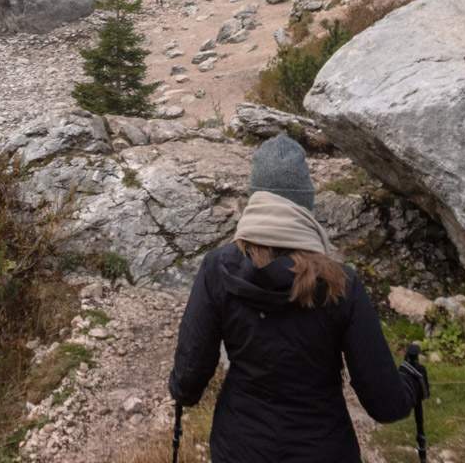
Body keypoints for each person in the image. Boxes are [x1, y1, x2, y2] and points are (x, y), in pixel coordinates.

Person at [169, 135, 426, 463]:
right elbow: (385, 404)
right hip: (324, 448)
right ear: (306, 205)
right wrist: (413, 382)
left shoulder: (217, 269)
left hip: (239, 448)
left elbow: (188, 383)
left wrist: (179, 387)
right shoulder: (341, 282)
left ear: (255, 199)